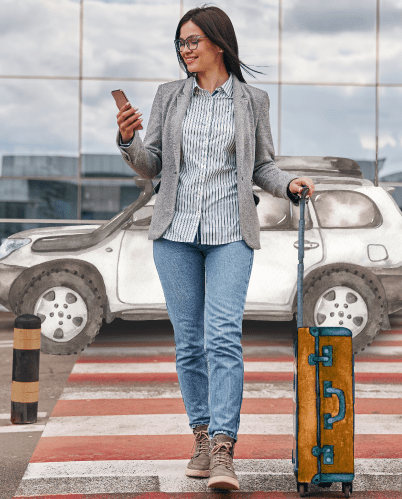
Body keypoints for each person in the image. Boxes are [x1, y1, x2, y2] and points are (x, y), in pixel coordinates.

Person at [116, 5, 314, 491]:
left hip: (230, 233)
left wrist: (288, 183)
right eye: (180, 42)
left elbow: (263, 166)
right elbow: (152, 164)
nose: (185, 50)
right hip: (175, 233)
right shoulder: (169, 96)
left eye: (193, 41)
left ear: (218, 44)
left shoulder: (252, 101)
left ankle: (225, 447)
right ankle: (201, 438)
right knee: (189, 345)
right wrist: (128, 141)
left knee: (223, 337)